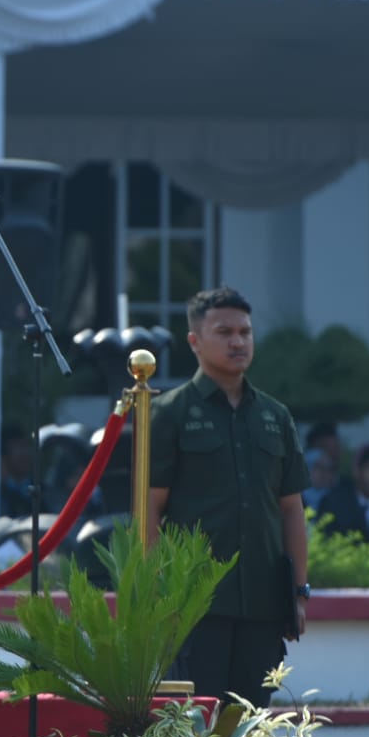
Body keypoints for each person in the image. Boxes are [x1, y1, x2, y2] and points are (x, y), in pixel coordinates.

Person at [147, 286, 309, 708]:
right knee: (198, 721)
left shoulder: (275, 416)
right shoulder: (170, 413)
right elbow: (149, 508)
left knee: (250, 724)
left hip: (263, 602)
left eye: (245, 332)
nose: (238, 342)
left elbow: (291, 509)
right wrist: (154, 597)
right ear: (195, 341)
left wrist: (298, 593)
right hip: (195, 604)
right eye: (225, 332)